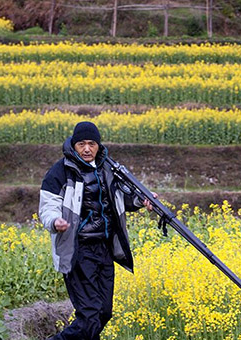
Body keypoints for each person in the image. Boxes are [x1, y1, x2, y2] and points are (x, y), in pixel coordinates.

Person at [39, 121, 156, 340]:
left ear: (98, 145)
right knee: (89, 317)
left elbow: (124, 197)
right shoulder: (60, 172)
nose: (86, 149)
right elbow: (48, 206)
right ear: (73, 146)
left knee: (103, 313)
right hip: (78, 251)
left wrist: (143, 201)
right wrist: (55, 221)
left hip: (104, 249)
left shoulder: (109, 168)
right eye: (81, 144)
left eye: (91, 144)